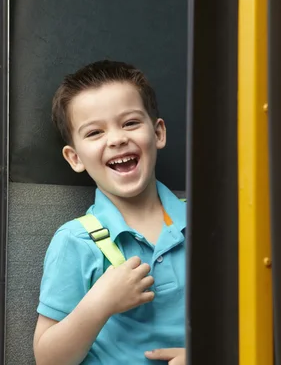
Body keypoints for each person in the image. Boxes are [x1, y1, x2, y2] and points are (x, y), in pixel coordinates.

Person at [33, 60, 187, 365]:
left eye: (130, 123)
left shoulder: (209, 225)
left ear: (158, 133)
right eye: (94, 133)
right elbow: (48, 360)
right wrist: (99, 304)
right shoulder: (76, 241)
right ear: (75, 157)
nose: (117, 139)